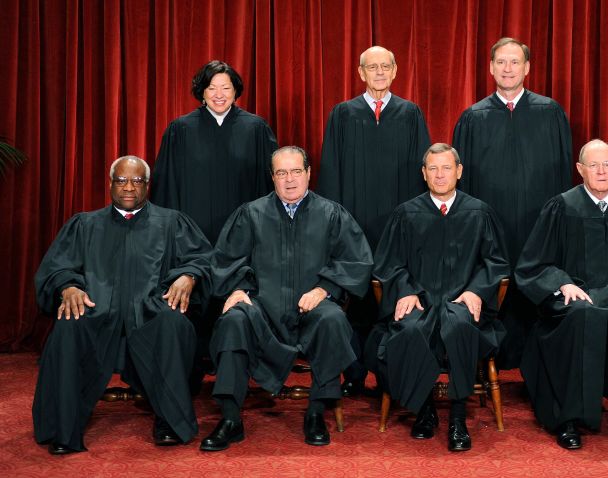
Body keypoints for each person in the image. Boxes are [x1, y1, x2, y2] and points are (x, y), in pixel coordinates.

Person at [32, 156, 213, 455]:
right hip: (97, 312)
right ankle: (64, 427)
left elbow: (204, 260)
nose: (129, 187)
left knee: (174, 323)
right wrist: (68, 285)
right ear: (111, 184)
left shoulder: (172, 222)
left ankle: (169, 419)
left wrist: (189, 276)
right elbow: (56, 268)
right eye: (122, 180)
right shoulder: (85, 224)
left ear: (147, 185)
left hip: (152, 311)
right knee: (68, 324)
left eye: (137, 181)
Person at [200, 146, 373, 451]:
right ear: (273, 177)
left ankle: (316, 413)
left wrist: (324, 289)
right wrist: (238, 289)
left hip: (313, 310)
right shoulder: (251, 214)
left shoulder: (331, 214)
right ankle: (230, 419)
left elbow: (356, 261)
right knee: (234, 320)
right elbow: (226, 259)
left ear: (308, 174)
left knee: (332, 319)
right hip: (262, 309)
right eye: (282, 173)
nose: (289, 180)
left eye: (296, 172)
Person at [516, 140, 608, 449]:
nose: (601, 171)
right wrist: (562, 283)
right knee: (579, 318)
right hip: (576, 297)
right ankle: (569, 420)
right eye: (594, 165)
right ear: (580, 169)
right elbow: (534, 263)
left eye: (607, 164)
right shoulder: (561, 206)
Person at [368, 143, 510, 452]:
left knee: (459, 327)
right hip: (420, 301)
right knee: (410, 329)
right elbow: (388, 264)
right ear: (423, 174)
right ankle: (424, 409)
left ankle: (458, 417)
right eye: (433, 169)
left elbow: (496, 262)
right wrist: (404, 291)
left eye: (446, 168)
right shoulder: (406, 213)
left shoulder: (479, 212)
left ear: (459, 171)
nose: (440, 174)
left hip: (461, 301)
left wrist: (475, 291)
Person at [150, 60, 278, 390]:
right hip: (193, 234)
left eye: (226, 87)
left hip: (240, 234)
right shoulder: (180, 129)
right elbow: (166, 187)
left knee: (235, 295)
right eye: (211, 88)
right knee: (193, 296)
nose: (219, 94)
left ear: (236, 91)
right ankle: (189, 368)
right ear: (201, 92)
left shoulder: (256, 129)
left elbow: (270, 187)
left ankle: (236, 368)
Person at [452, 37, 573, 369]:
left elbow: (564, 173)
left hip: (540, 221)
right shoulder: (472, 118)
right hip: (493, 223)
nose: (508, 69)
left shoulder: (550, 112)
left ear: (527, 68)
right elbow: (460, 183)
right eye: (501, 62)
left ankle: (540, 357)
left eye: (515, 62)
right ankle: (494, 353)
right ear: (490, 68)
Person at [318, 46, 431, 396]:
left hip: (397, 225)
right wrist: (336, 222)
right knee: (354, 297)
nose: (379, 72)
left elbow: (421, 174)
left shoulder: (410, 113)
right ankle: (353, 371)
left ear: (396, 71)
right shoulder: (343, 114)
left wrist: (414, 222)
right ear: (361, 73)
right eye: (372, 67)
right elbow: (332, 170)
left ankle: (388, 372)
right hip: (353, 223)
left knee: (393, 294)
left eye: (385, 66)